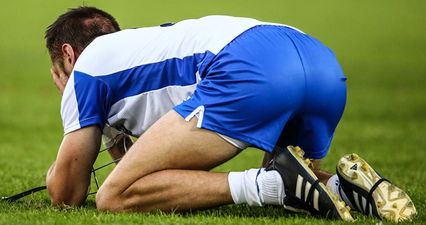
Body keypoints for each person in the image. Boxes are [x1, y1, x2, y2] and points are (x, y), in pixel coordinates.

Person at [44, 6, 416, 222]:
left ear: (68, 55)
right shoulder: (137, 48)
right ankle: (346, 188)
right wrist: (110, 133)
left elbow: (67, 194)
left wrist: (60, 160)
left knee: (114, 197)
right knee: (304, 185)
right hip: (319, 63)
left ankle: (273, 184)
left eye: (59, 73)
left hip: (251, 68)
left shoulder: (86, 69)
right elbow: (150, 173)